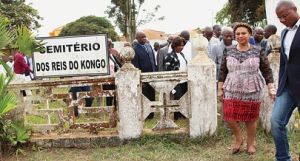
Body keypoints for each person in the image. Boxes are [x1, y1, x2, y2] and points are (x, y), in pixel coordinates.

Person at [218, 22, 275, 155]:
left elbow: (266, 70)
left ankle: (250, 143)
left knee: (250, 118)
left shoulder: (258, 50)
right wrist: (220, 89)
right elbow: (222, 71)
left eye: (243, 33)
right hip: (232, 87)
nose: (240, 36)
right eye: (237, 34)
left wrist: (271, 88)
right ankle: (239, 139)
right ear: (234, 36)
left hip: (252, 88)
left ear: (249, 34)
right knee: (229, 116)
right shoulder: (228, 50)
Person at [271, 1, 300, 161]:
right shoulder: (283, 33)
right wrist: (280, 85)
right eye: (279, 18)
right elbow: (284, 62)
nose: (282, 20)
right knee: (276, 121)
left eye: (285, 15)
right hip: (287, 88)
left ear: (295, 10)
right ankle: (283, 158)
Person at [132, 31, 156, 119]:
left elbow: (153, 60)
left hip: (152, 75)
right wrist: (140, 79)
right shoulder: (135, 49)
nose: (144, 38)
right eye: (142, 37)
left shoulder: (149, 46)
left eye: (145, 37)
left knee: (152, 94)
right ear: (137, 38)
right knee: (145, 96)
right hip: (143, 77)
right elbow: (136, 65)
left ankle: (152, 113)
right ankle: (146, 114)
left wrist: (155, 73)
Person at [164, 36, 188, 120]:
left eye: (182, 45)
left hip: (184, 81)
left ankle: (183, 115)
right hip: (176, 82)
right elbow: (167, 71)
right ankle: (177, 117)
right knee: (177, 98)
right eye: (179, 45)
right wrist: (170, 84)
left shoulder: (182, 55)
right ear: (174, 46)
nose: (181, 47)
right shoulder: (169, 56)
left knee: (184, 98)